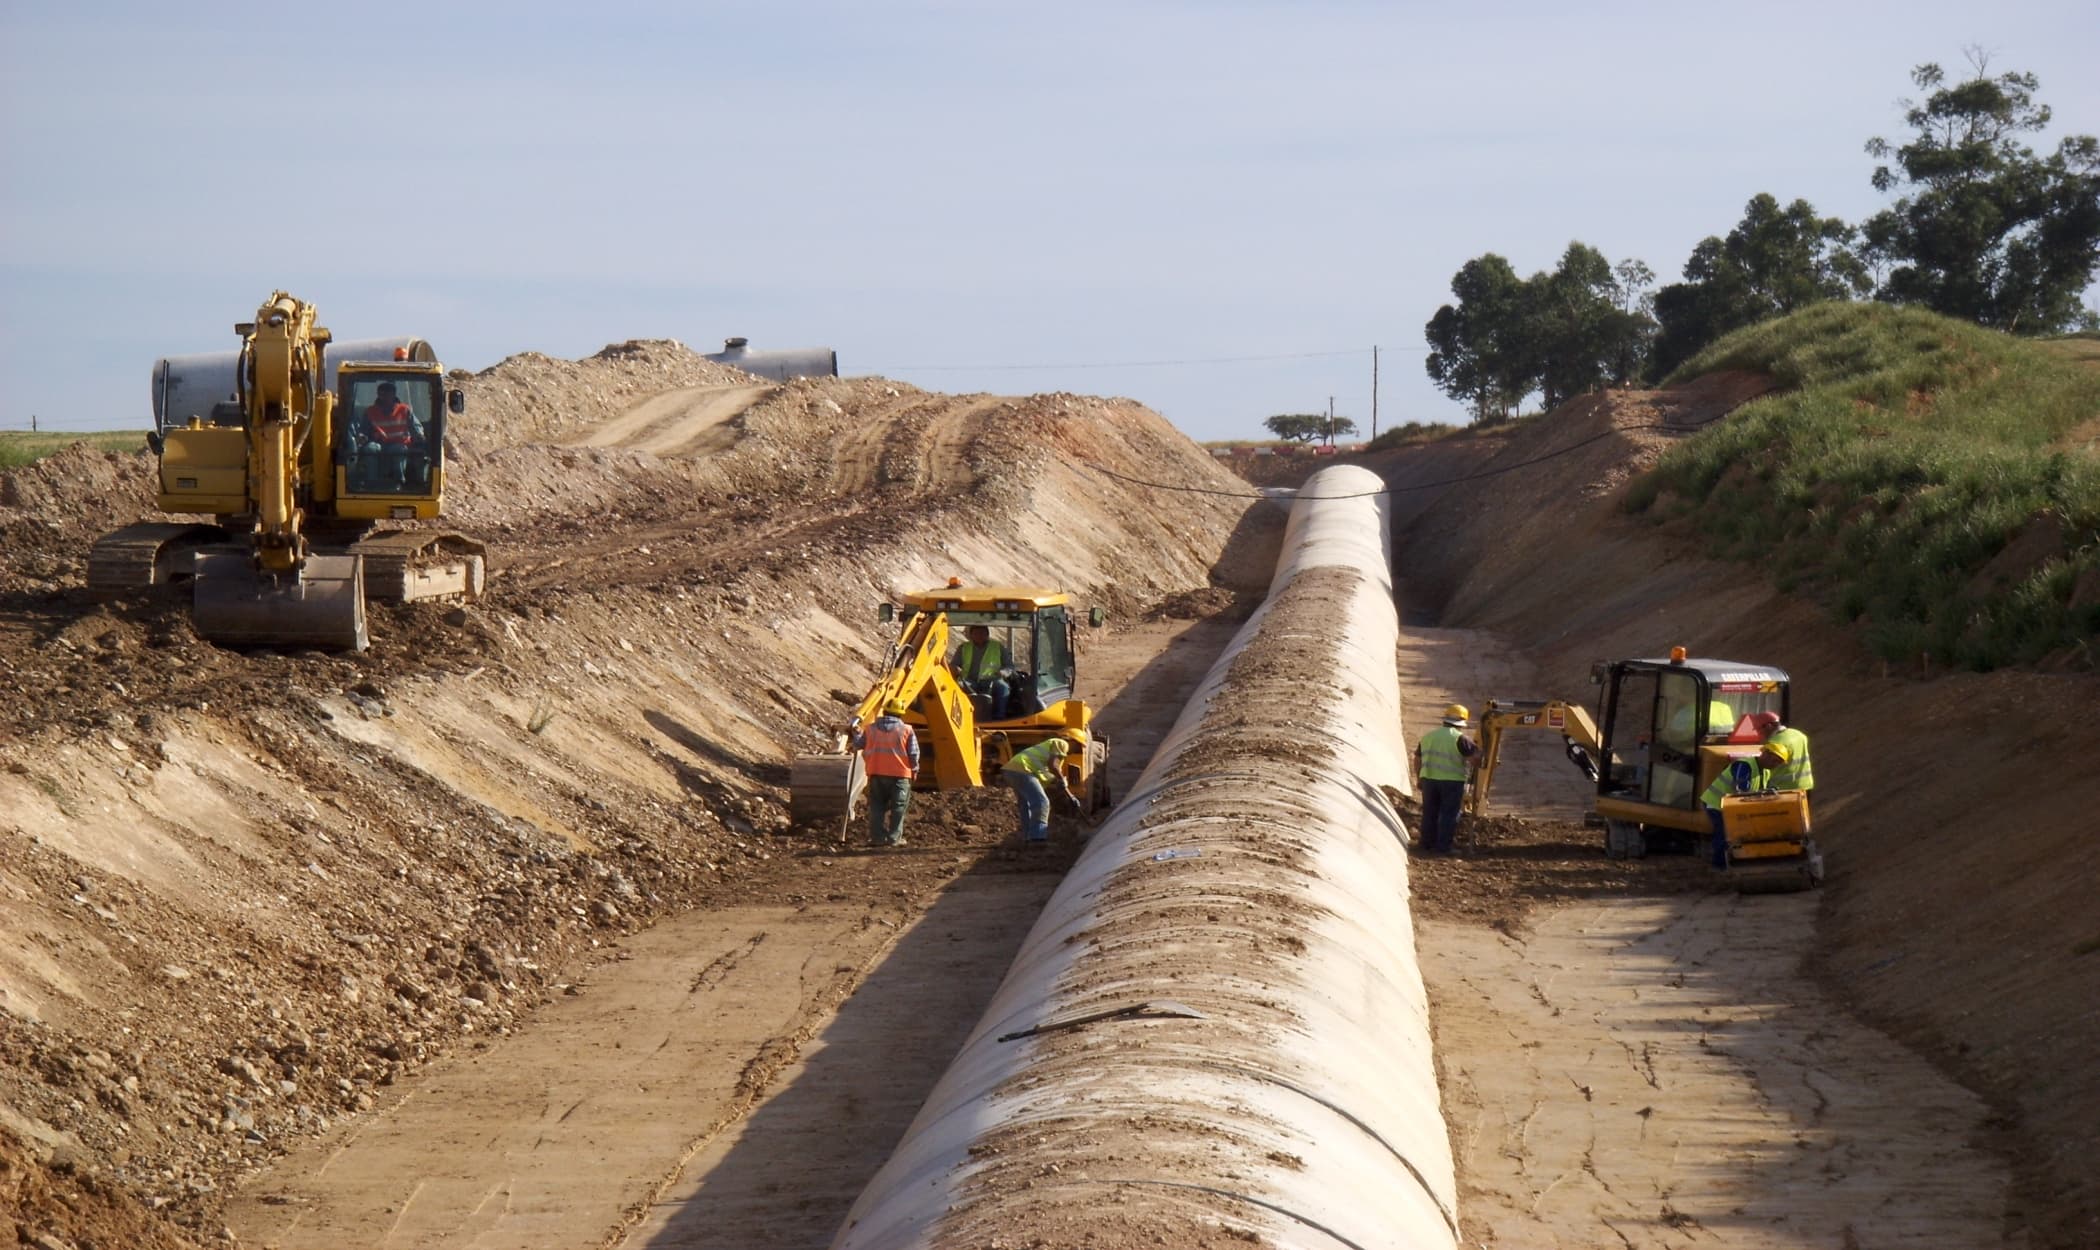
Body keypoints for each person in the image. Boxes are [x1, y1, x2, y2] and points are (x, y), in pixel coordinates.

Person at [1700, 743, 1785, 869]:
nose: (1775, 765)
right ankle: (1719, 866)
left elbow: (1756, 791)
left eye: (1778, 763)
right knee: (1724, 833)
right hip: (1717, 804)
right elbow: (1740, 790)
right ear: (1766, 754)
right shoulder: (1744, 765)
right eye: (1775, 761)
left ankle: (1733, 861)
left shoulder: (1766, 772)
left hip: (1733, 806)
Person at [852, 698, 919, 847]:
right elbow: (913, 754)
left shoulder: (870, 729)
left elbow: (857, 745)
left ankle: (877, 838)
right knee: (899, 807)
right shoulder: (907, 730)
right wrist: (915, 770)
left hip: (876, 774)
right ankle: (894, 838)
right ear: (901, 714)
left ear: (884, 711)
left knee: (877, 806)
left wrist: (856, 733)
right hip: (900, 775)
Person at [1412, 703, 1477, 855]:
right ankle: (1443, 847)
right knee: (1448, 814)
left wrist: (1419, 777)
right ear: (1462, 722)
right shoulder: (1460, 739)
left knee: (1429, 812)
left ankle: (1426, 844)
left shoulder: (1428, 736)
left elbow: (1417, 759)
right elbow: (1475, 760)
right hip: (1452, 782)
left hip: (1428, 779)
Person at [1002, 737, 1075, 845]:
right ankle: (1038, 838)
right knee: (1042, 802)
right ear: (1074, 741)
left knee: (1026, 804)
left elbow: (1047, 772)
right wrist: (1061, 779)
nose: (1074, 751)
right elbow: (1053, 765)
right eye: (1078, 746)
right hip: (1023, 770)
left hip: (1010, 771)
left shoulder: (1045, 752)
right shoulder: (1062, 743)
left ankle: (1027, 838)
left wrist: (1063, 786)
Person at [360, 381, 423, 488]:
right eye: (382, 394)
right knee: (370, 449)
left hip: (399, 443)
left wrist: (419, 435)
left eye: (388, 395)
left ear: (394, 395)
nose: (385, 398)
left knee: (398, 450)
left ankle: (398, 483)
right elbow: (363, 430)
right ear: (378, 395)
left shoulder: (404, 410)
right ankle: (371, 482)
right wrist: (362, 436)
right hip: (379, 443)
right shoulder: (370, 411)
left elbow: (415, 426)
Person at [1751, 711, 1813, 804]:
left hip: (1784, 791)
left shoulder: (1775, 743)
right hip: (1805, 787)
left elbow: (1763, 765)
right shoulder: (1799, 734)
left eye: (1759, 729)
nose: (1759, 733)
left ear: (1768, 726)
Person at [953, 624, 1011, 721]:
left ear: (987, 634)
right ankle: (960, 716)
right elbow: (954, 664)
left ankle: (999, 717)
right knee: (955, 687)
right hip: (969, 681)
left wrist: (1004, 672)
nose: (979, 636)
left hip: (992, 680)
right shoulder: (963, 648)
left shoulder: (997, 647)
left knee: (1003, 688)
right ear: (971, 635)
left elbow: (1009, 666)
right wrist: (956, 668)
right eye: (976, 633)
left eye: (982, 633)